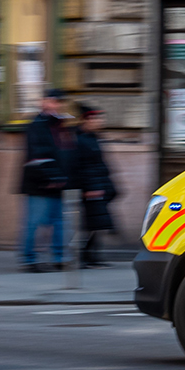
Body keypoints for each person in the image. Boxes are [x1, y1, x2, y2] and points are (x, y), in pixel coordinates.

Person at [19, 89, 76, 272]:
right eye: (51, 102)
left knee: (59, 222)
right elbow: (37, 155)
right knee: (34, 223)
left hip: (58, 183)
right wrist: (52, 176)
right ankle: (28, 259)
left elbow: (66, 152)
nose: (55, 105)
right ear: (43, 102)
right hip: (39, 184)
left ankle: (59, 257)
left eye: (58, 102)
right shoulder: (37, 125)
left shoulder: (60, 125)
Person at [74, 105, 118, 267]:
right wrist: (87, 188)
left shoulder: (92, 138)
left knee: (96, 224)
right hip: (91, 188)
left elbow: (99, 165)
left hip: (99, 185)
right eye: (97, 119)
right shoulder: (80, 139)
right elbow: (81, 167)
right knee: (89, 225)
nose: (100, 122)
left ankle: (92, 256)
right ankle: (83, 256)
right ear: (87, 120)